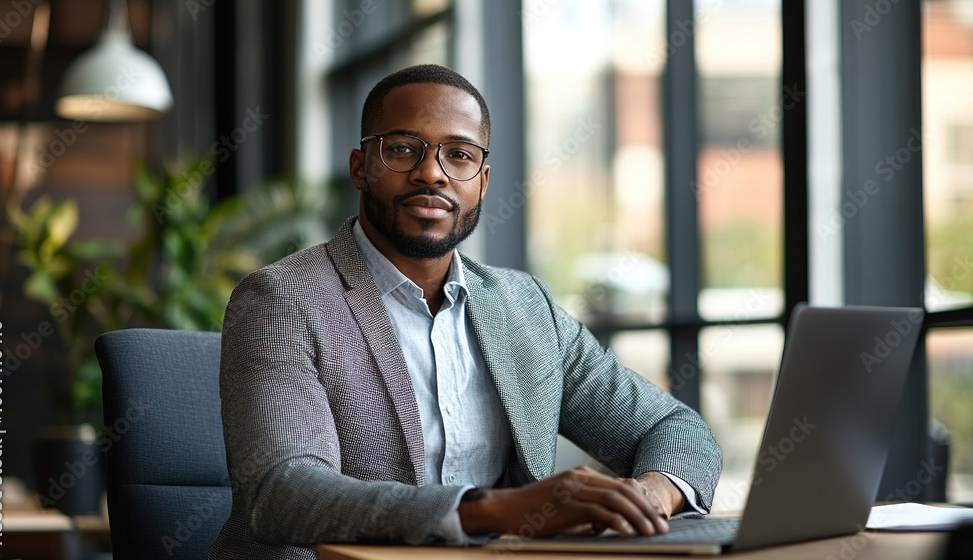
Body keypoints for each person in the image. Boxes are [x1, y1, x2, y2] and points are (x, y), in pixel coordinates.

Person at [207, 64, 721, 560]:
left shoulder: (525, 308)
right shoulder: (282, 298)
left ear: (483, 180)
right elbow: (282, 493)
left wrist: (651, 497)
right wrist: (492, 511)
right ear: (360, 167)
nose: (431, 173)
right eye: (403, 149)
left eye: (459, 155)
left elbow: (676, 429)